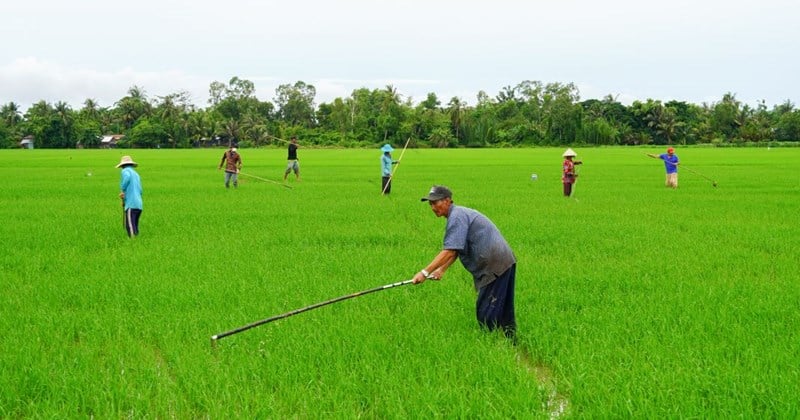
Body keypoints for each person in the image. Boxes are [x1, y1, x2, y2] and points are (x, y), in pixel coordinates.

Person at [412, 185, 517, 341]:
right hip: (503, 260)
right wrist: (442, 270)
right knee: (503, 310)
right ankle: (511, 342)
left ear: (448, 201)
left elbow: (450, 250)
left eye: (436, 202)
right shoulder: (458, 214)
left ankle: (491, 346)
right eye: (430, 204)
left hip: (494, 264)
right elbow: (457, 248)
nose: (433, 207)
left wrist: (424, 272)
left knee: (486, 313)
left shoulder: (457, 217)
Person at [116, 155, 143, 238]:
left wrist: (122, 189)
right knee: (135, 226)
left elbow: (127, 178)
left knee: (130, 227)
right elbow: (140, 190)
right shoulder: (136, 174)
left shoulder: (125, 171)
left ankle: (133, 244)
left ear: (122, 166)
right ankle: (137, 243)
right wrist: (125, 199)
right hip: (139, 204)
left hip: (131, 205)